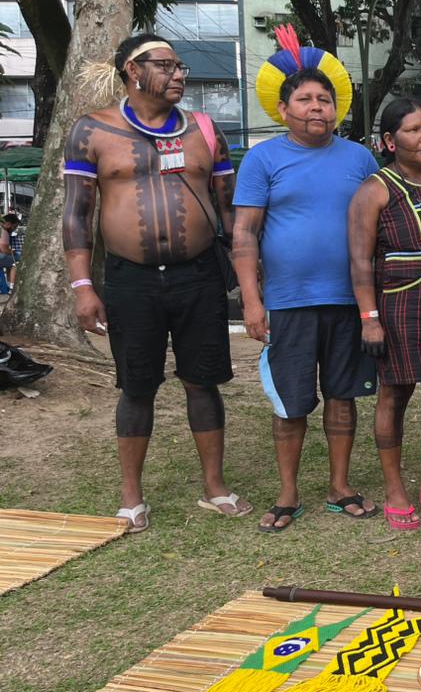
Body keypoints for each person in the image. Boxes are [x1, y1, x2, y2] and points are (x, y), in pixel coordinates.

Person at [61, 33, 242, 533]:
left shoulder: (206, 132)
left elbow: (230, 212)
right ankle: (131, 497)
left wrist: (250, 278)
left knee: (203, 381)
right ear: (132, 71)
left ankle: (215, 486)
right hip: (130, 280)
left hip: (199, 276)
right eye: (165, 66)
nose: (178, 74)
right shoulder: (92, 130)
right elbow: (77, 215)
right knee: (137, 386)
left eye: (180, 66)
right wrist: (82, 287)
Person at [232, 52, 381, 534]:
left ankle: (340, 487)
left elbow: (379, 226)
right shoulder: (263, 158)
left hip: (350, 302)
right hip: (289, 303)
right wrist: (252, 303)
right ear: (283, 107)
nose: (317, 106)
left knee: (343, 397)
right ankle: (288, 493)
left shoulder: (359, 158)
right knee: (290, 403)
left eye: (325, 98)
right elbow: (244, 235)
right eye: (305, 99)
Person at [348, 98, 421, 532]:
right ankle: (395, 487)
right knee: (394, 396)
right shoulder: (374, 190)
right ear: (388, 140)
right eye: (414, 130)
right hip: (398, 307)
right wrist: (369, 318)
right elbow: (360, 262)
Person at [0, 214, 14, 294]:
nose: (13, 229)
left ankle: (7, 287)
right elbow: (4, 250)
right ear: (8, 224)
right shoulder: (3, 231)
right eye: (14, 227)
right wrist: (13, 251)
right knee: (17, 260)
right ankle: (11, 285)